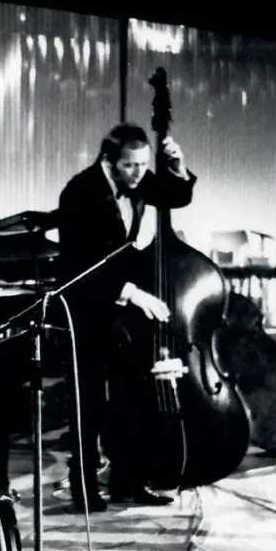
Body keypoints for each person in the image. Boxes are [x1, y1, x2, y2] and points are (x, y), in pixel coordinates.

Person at [56, 123, 196, 512]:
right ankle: (84, 487)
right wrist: (131, 292)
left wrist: (178, 168)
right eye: (130, 166)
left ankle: (128, 481)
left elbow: (175, 196)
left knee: (131, 398)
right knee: (87, 405)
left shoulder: (137, 180)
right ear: (109, 161)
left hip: (124, 313)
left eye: (143, 165)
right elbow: (79, 263)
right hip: (85, 309)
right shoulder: (79, 192)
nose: (138, 173)